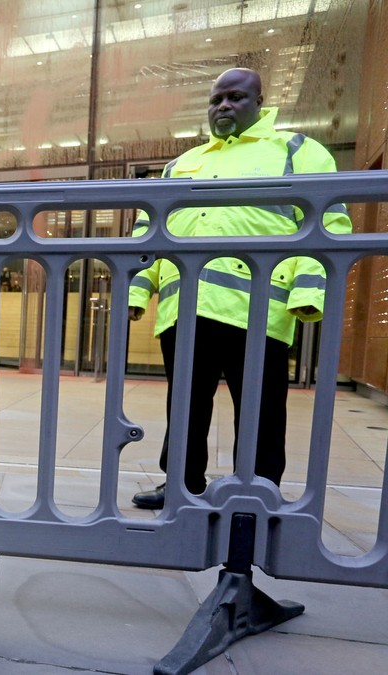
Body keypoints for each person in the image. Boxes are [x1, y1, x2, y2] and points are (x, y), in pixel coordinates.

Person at [128, 68, 352, 509]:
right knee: (186, 405)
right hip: (186, 307)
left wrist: (307, 293)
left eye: (235, 97)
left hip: (258, 309)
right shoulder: (182, 164)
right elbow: (149, 232)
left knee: (262, 409)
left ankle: (257, 489)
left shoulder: (297, 150)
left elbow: (328, 223)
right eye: (216, 100)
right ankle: (180, 485)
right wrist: (139, 290)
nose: (223, 106)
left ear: (260, 102)